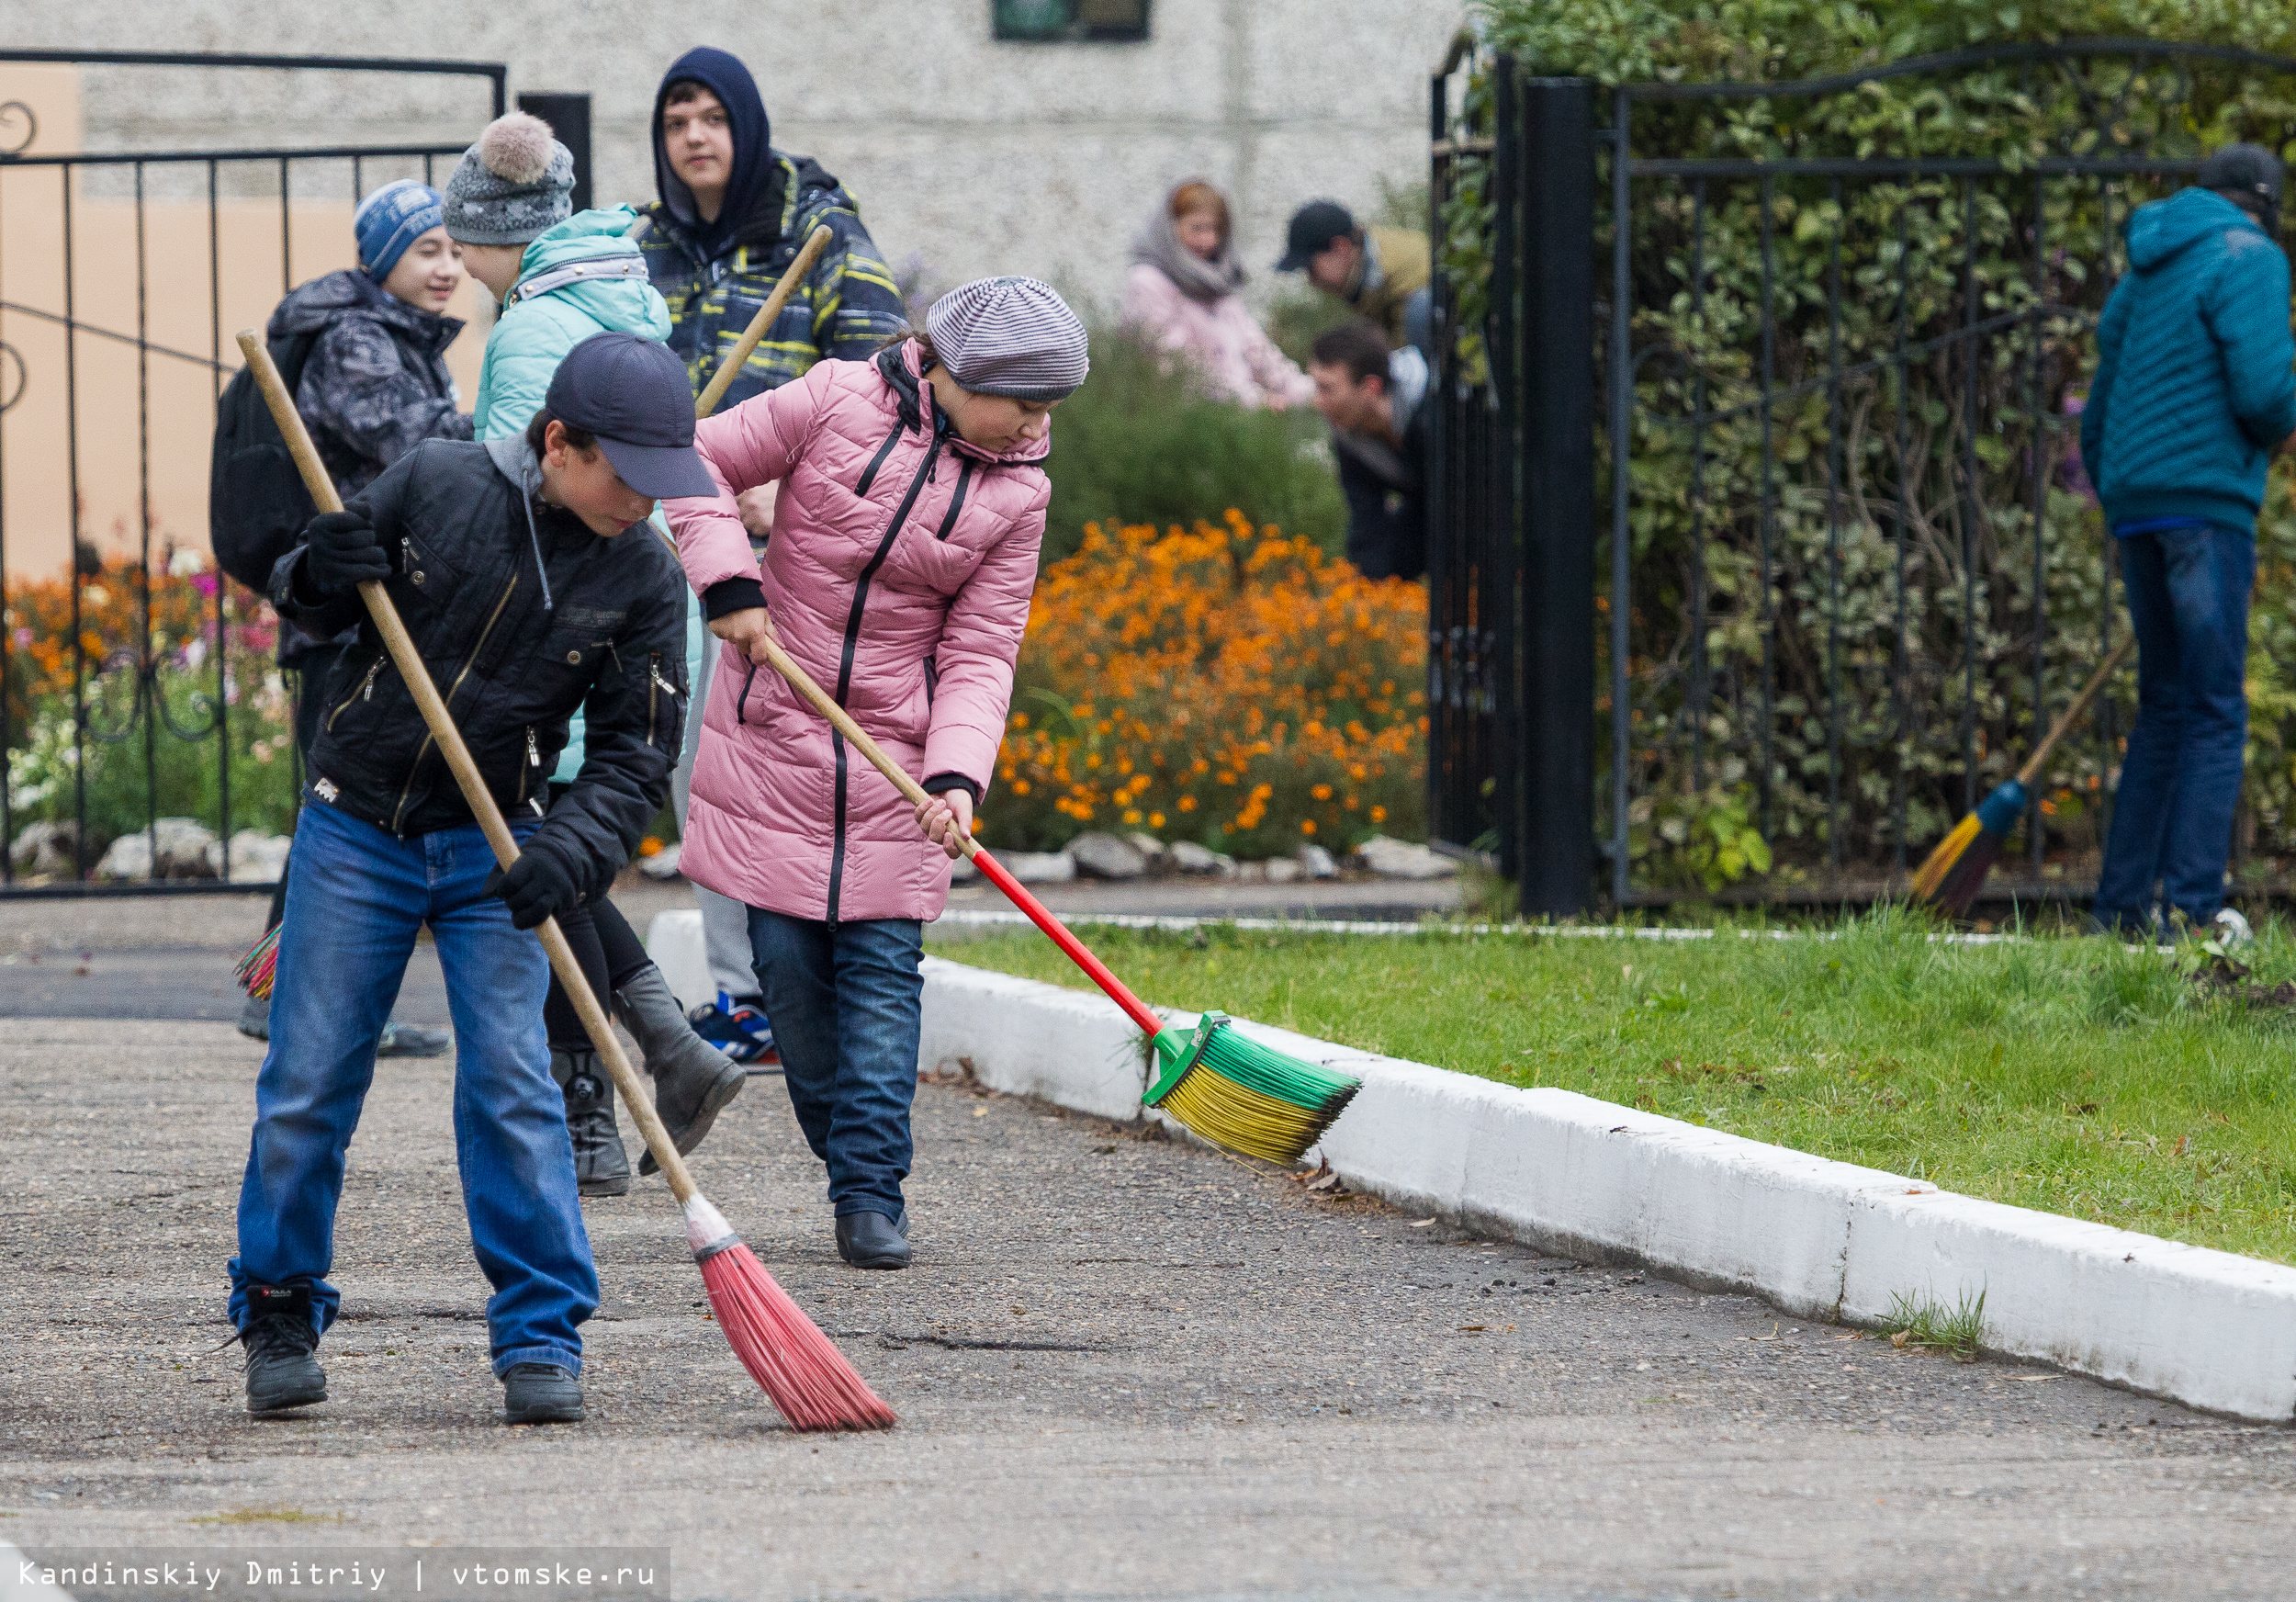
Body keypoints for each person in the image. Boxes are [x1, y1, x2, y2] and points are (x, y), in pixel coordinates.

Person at [230, 332, 703, 1424]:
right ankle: (279, 1304)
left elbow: (638, 752)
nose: (644, 500)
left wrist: (568, 854)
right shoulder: (438, 481)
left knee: (515, 1089)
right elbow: (311, 600)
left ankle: (541, 1334)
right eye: (628, 475)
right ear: (558, 443)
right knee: (308, 1085)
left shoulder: (644, 572)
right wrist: (322, 571)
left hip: (499, 849)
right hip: (355, 831)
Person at [662, 276, 1085, 1271]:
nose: (1036, 422)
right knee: (797, 1000)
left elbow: (983, 651)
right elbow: (694, 459)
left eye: (1049, 404)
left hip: (898, 765)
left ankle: (869, 1190)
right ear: (951, 370)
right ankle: (843, 1152)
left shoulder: (1020, 488)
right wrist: (728, 581)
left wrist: (956, 779)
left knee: (885, 988)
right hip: (777, 732)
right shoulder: (833, 399)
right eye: (1023, 398)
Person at [444, 110, 746, 1198]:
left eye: (458, 239)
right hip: (628, 620)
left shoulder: (530, 330)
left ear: (500, 237)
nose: (452, 259)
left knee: (536, 853)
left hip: (553, 630)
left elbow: (513, 499)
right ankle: (625, 1091)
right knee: (556, 854)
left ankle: (636, 1073)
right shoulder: (618, 299)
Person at [636, 47, 910, 1063]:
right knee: (697, 767)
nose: (694, 137)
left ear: (745, 127)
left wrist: (789, 482)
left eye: (711, 117)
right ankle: (749, 996)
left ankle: (801, 983)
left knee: (782, 760)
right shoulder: (645, 246)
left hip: (788, 545)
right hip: (672, 532)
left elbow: (886, 389)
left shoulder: (821, 233)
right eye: (676, 122)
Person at [238, 177, 475, 1058]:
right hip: (339, 606)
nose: (447, 267)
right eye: (426, 250)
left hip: (365, 604)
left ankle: (286, 994)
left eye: (454, 249)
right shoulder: (356, 340)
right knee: (338, 804)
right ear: (382, 261)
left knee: (331, 803)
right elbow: (426, 444)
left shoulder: (396, 334)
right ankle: (285, 998)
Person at [2082, 142, 2296, 939]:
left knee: (2166, 708)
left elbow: (2099, 411)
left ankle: (2122, 914)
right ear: (2265, 201)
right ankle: (2196, 914)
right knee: (2212, 710)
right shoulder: (2252, 256)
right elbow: (2268, 394)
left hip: (2138, 506)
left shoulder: (2146, 268)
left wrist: (2128, 496)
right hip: (2207, 511)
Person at [1121, 179, 1311, 410]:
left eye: (1216, 229)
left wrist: (1308, 392)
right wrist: (1254, 402)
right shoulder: (1149, 282)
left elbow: (1256, 349)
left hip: (1234, 416)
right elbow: (1174, 363)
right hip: (1183, 420)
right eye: (1197, 228)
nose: (1208, 240)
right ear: (1170, 228)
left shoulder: (1218, 281)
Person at [1307, 319, 1429, 583]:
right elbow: (1366, 518)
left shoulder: (1431, 405)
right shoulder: (1349, 433)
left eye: (1327, 388)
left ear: (1370, 388)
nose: (1317, 401)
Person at [1275, 198, 1431, 352]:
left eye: (1311, 268)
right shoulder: (1363, 274)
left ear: (1340, 247)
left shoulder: (1405, 273)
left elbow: (1405, 356)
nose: (1311, 280)